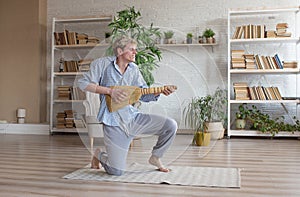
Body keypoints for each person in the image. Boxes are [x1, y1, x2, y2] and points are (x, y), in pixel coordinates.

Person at [77, 36, 177, 176]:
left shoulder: (134, 69)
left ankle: (155, 157)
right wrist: (109, 91)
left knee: (170, 125)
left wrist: (159, 92)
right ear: (119, 51)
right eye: (131, 49)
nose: (135, 52)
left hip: (132, 118)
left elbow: (142, 93)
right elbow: (82, 83)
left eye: (135, 50)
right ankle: (99, 155)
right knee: (116, 171)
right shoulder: (101, 64)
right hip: (114, 123)